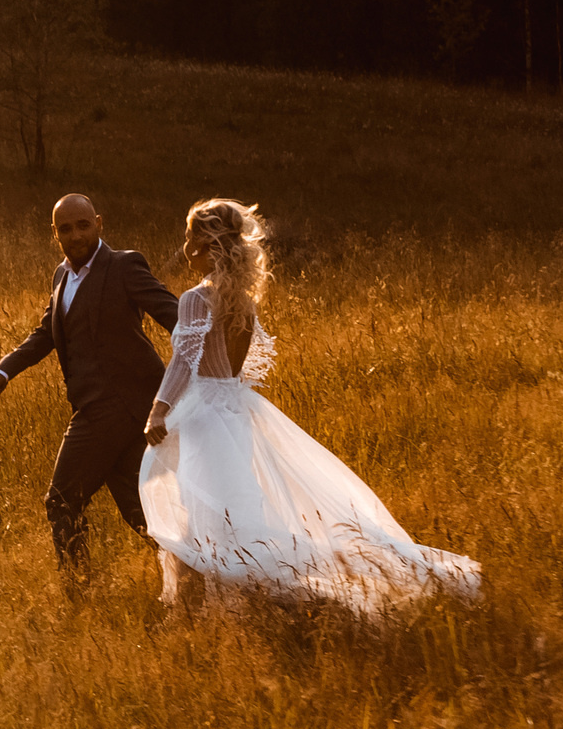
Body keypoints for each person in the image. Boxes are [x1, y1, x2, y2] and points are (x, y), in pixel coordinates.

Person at [139, 198, 480, 613]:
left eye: (189, 236)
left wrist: (159, 409)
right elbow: (236, 368)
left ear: (205, 244)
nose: (185, 247)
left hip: (206, 416)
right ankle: (216, 605)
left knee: (203, 512)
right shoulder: (241, 299)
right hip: (235, 412)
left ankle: (216, 604)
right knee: (234, 510)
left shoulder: (197, 298)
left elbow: (185, 360)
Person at [0, 193, 179, 595]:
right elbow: (47, 333)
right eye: (66, 229)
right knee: (140, 512)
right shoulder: (61, 275)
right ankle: (201, 578)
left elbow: (175, 316)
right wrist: (5, 368)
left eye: (83, 225)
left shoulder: (123, 266)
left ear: (99, 224)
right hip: (105, 409)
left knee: (61, 500)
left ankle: (77, 591)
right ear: (54, 234)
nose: (76, 235)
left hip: (116, 407)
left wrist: (201, 369)